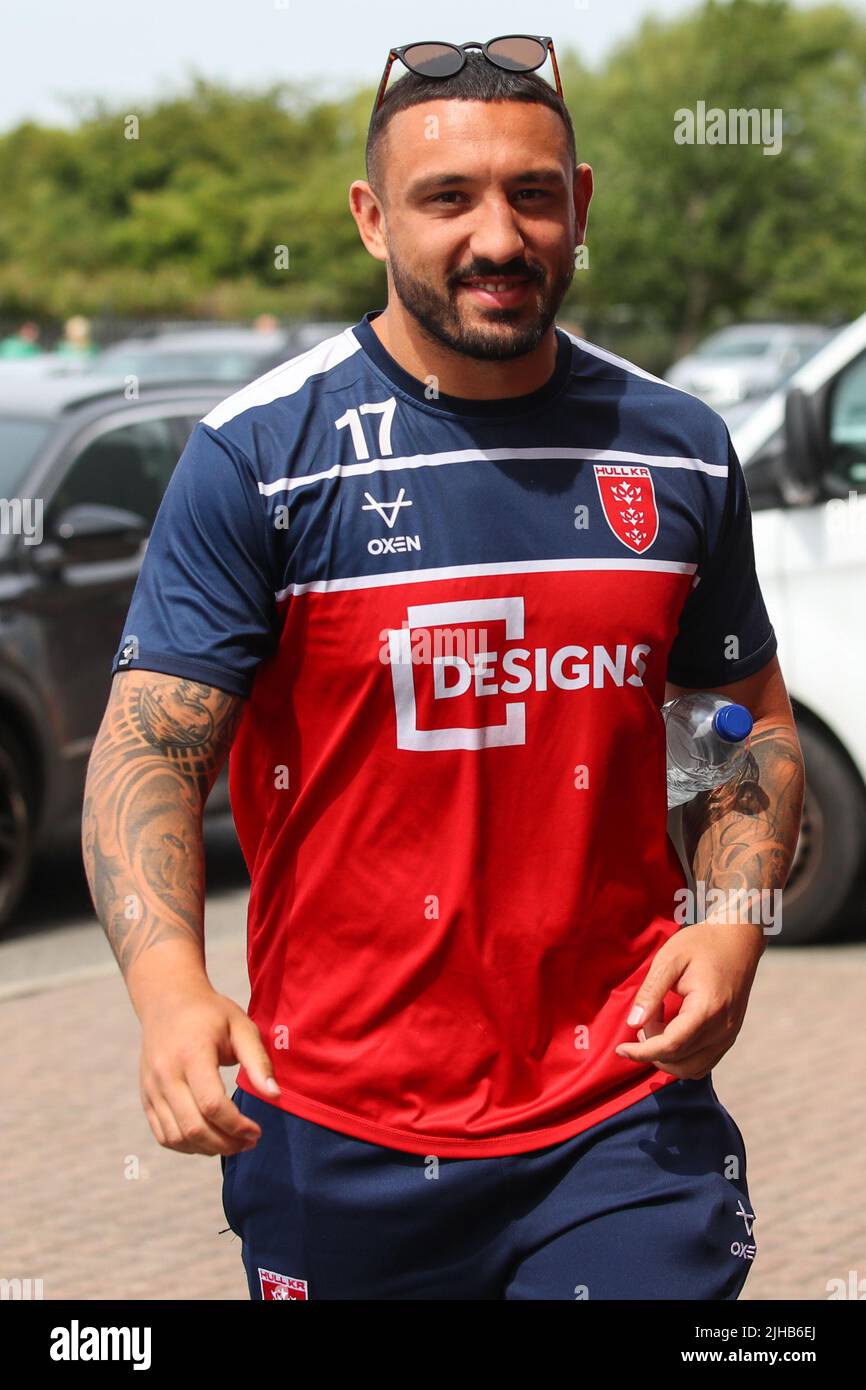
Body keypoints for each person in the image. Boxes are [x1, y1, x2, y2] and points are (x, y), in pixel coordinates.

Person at [82, 36, 804, 1301]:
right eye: (445, 198)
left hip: (616, 1113)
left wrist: (735, 920)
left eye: (530, 194)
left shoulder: (679, 449)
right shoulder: (258, 456)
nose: (497, 236)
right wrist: (168, 988)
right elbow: (148, 745)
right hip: (335, 1128)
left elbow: (733, 730)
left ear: (576, 205)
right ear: (369, 218)